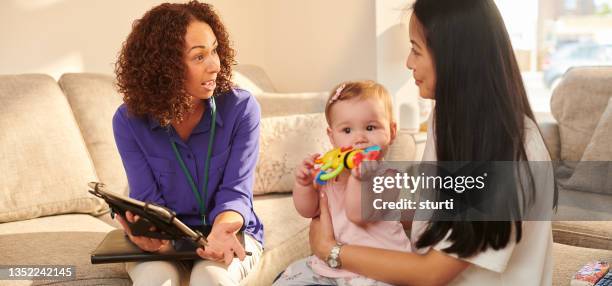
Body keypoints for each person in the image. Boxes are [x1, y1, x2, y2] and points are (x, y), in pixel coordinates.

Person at [308, 0, 556, 285]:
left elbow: (432, 273)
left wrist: (331, 249)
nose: (408, 62)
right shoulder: (451, 118)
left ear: (453, 58)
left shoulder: (510, 154)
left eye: (415, 50)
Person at [112, 1, 263, 285]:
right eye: (199, 57)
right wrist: (151, 237)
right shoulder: (128, 121)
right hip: (164, 238)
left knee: (211, 278)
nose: (215, 65)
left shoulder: (242, 108)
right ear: (164, 68)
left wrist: (221, 232)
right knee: (157, 279)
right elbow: (148, 200)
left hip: (230, 231)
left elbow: (236, 192)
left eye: (215, 50)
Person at [274, 81, 411, 286]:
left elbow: (358, 214)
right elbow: (308, 210)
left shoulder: (389, 177)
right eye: (347, 130)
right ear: (332, 136)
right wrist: (304, 184)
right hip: (329, 268)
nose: (359, 138)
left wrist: (358, 177)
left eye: (371, 127)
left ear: (391, 131)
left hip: (378, 271)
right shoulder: (328, 173)